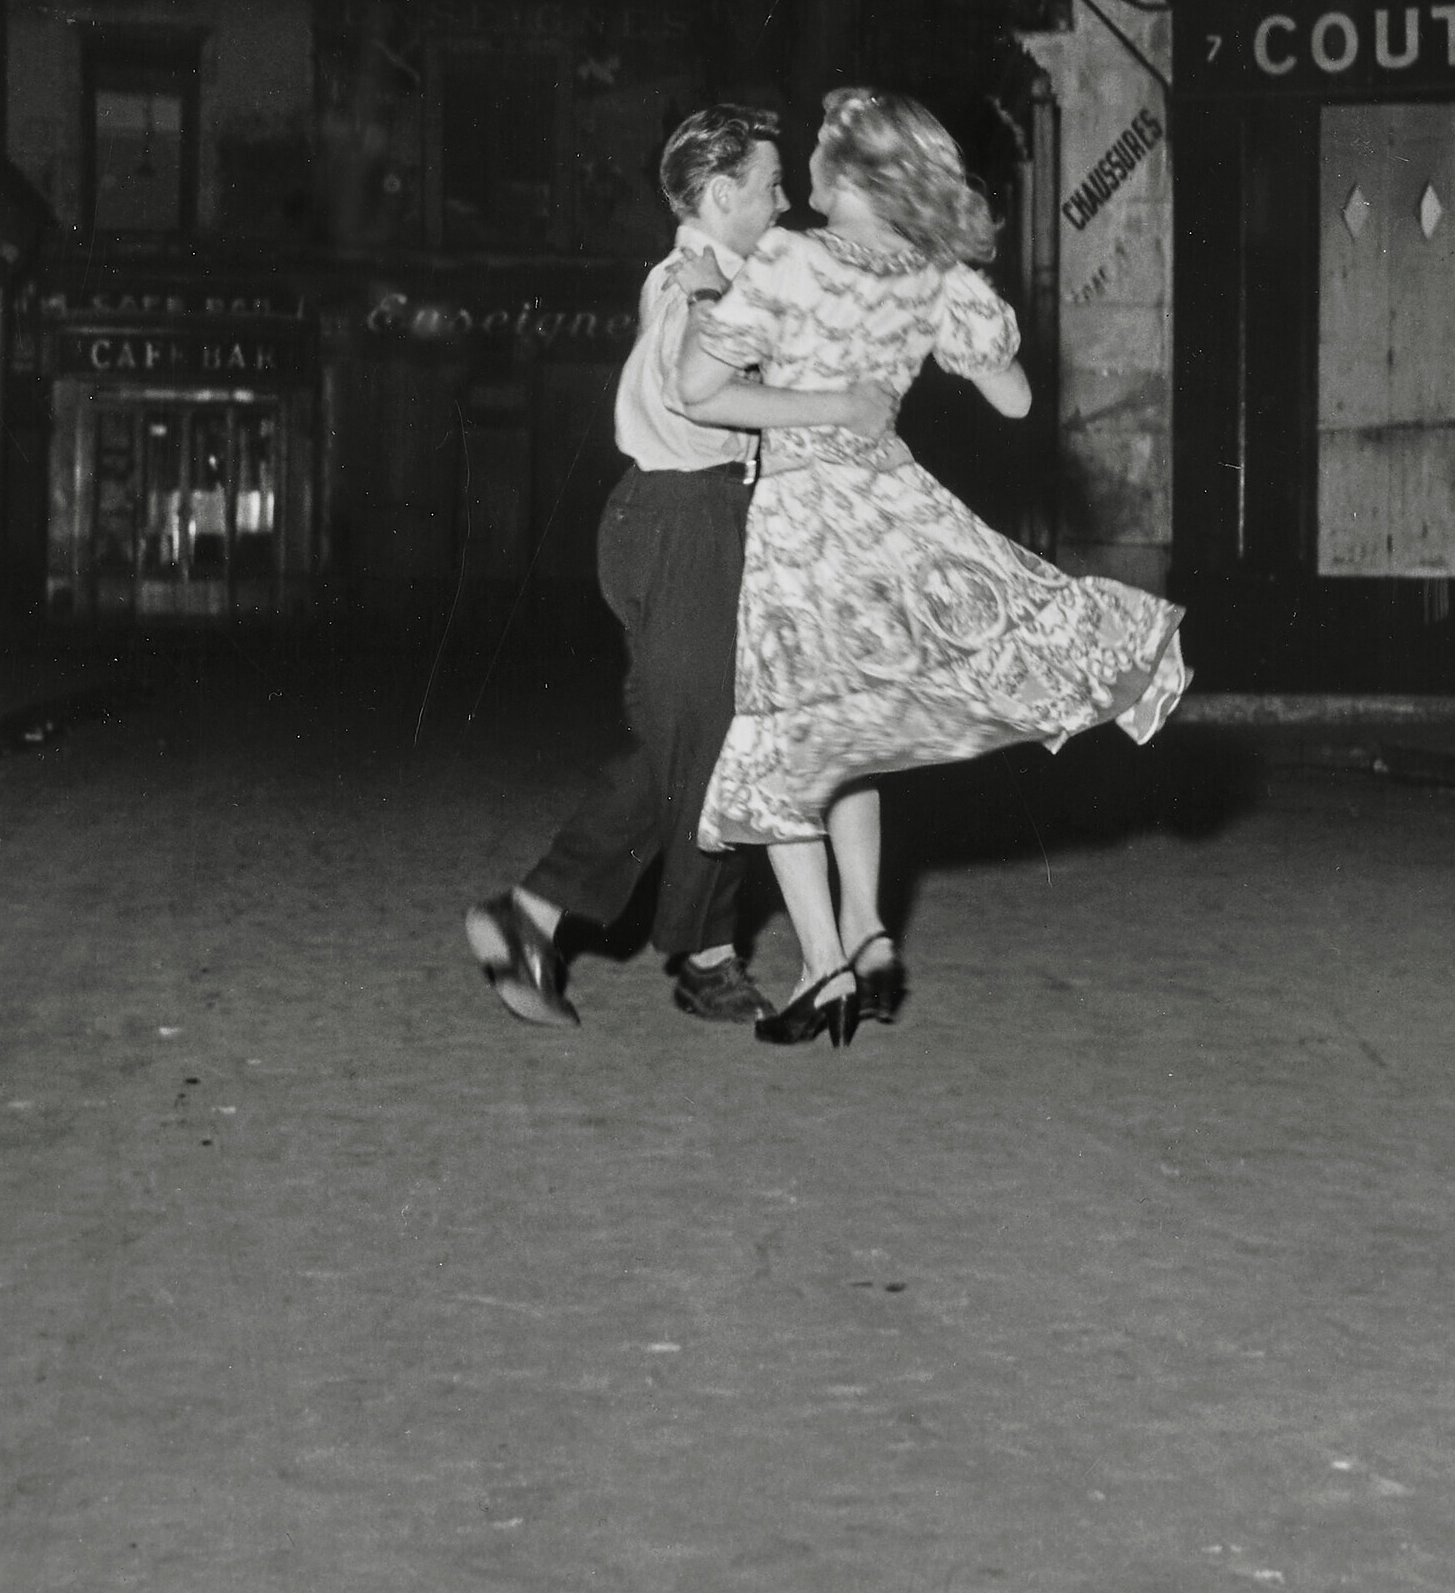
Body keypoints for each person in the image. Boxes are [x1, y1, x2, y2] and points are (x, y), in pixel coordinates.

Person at [676, 86, 1188, 1047]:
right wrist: (932, 311)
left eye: (823, 156)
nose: (809, 174)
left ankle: (825, 964)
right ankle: (866, 932)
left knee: (792, 742)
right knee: (852, 728)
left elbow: (697, 394)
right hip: (895, 512)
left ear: (853, 177)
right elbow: (1015, 400)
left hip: (804, 523)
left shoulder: (787, 261)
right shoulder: (934, 275)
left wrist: (825, 402)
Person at [464, 105, 894, 1031]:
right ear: (721, 194)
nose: (784, 202)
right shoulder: (686, 287)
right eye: (771, 187)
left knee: (716, 745)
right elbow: (700, 399)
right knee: (694, 746)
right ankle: (542, 913)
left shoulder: (724, 277)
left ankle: (698, 948)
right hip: (681, 517)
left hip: (709, 519)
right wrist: (832, 405)